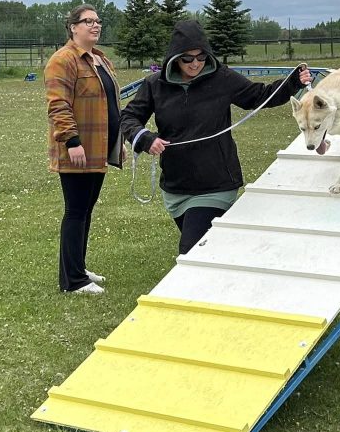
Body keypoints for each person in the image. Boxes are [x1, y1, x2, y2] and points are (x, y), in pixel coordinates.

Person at [120, 20, 311, 255]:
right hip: (175, 187)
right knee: (209, 250)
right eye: (187, 58)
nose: (195, 63)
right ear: (175, 58)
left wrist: (293, 82)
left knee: (191, 251)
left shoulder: (222, 78)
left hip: (216, 186)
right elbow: (128, 117)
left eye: (201, 57)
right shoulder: (154, 84)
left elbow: (259, 95)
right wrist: (145, 139)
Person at [44, 5, 123, 294]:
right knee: (76, 211)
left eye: (98, 21)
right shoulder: (63, 60)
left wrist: (118, 141)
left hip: (99, 150)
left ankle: (77, 267)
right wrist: (72, 141)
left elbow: (110, 103)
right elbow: (58, 105)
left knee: (86, 211)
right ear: (73, 27)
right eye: (88, 21)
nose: (95, 25)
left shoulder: (100, 59)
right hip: (78, 149)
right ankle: (73, 281)